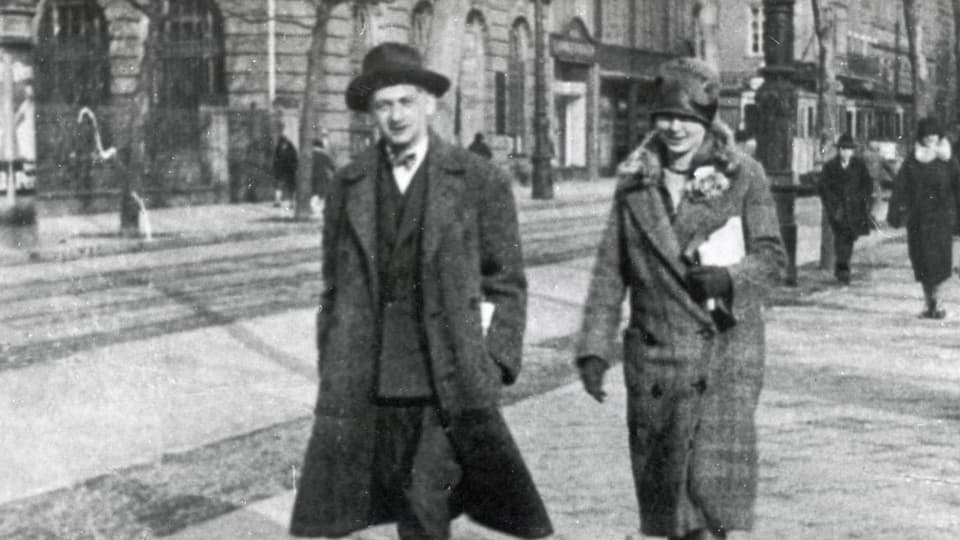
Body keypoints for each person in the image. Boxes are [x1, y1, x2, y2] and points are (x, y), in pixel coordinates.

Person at [290, 42, 553, 540]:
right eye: (384, 105)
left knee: (424, 498)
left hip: (447, 374)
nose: (395, 115)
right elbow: (333, 282)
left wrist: (494, 360)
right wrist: (333, 357)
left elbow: (506, 280)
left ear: (430, 104)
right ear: (371, 113)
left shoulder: (478, 180)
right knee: (372, 501)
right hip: (370, 377)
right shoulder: (349, 184)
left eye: (406, 101)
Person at [575, 57, 786, 540]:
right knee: (668, 507)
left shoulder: (743, 175)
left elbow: (773, 258)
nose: (674, 128)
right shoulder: (634, 184)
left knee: (711, 498)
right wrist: (592, 346)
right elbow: (612, 270)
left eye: (687, 118)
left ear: (707, 121)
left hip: (725, 358)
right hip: (656, 362)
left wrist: (730, 278)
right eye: (664, 117)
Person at [886, 117, 960, 319]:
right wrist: (896, 211)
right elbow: (901, 186)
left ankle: (939, 301)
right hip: (918, 219)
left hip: (941, 218)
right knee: (922, 262)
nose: (931, 139)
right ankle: (930, 303)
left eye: (934, 135)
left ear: (940, 136)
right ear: (922, 137)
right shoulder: (913, 160)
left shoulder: (948, 161)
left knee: (941, 262)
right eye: (927, 136)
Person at [818, 132, 875, 284]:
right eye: (843, 149)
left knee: (848, 239)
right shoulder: (831, 166)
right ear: (839, 150)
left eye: (848, 149)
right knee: (841, 238)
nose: (845, 152)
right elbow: (823, 187)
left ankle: (841, 267)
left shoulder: (859, 165)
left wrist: (862, 201)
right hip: (838, 211)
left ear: (852, 151)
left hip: (854, 210)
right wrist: (832, 204)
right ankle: (843, 270)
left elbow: (867, 185)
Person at [273, 120, 298, 208]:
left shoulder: (280, 145)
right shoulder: (290, 144)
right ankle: (291, 202)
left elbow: (276, 157)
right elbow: (294, 155)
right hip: (290, 167)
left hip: (282, 167)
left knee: (280, 184)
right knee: (290, 186)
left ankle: (279, 201)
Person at [309, 131, 335, 211]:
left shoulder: (310, 154)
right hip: (322, 176)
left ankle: (313, 207)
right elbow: (331, 166)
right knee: (321, 192)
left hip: (311, 175)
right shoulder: (324, 155)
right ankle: (317, 207)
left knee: (313, 192)